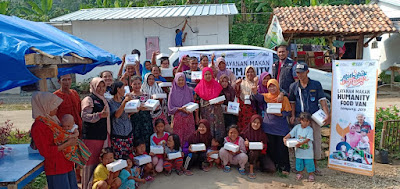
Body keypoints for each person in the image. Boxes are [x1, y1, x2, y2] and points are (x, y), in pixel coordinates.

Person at [30, 92, 79, 189]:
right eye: (54, 106)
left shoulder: (52, 120)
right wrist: (67, 144)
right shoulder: (39, 126)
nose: (57, 108)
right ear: (45, 106)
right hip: (56, 167)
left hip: (66, 163)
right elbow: (46, 151)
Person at [289, 63, 330, 175]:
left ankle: (315, 167)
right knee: (299, 141)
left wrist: (327, 114)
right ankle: (299, 167)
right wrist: (293, 115)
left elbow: (322, 101)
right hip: (300, 118)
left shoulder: (316, 84)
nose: (300, 74)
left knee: (315, 141)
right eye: (298, 72)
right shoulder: (293, 86)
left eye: (302, 72)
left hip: (313, 117)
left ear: (307, 72)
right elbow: (292, 103)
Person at [252, 79, 291, 174]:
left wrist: (281, 114)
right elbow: (257, 96)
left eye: (273, 86)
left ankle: (284, 167)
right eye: (270, 86)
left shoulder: (283, 98)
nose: (272, 88)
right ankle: (274, 166)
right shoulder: (266, 97)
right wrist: (254, 88)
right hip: (268, 128)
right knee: (271, 148)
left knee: (282, 149)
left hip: (281, 128)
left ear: (277, 86)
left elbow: (288, 111)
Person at [81, 77, 111, 189]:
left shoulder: (103, 99)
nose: (101, 89)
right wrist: (99, 115)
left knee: (100, 163)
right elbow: (84, 116)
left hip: (102, 136)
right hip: (91, 138)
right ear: (93, 86)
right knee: (90, 164)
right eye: (98, 86)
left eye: (103, 86)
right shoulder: (89, 99)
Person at [195, 67, 225, 141]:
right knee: (206, 128)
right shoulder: (199, 87)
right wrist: (197, 117)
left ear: (212, 75)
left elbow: (223, 99)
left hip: (217, 115)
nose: (208, 76)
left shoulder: (217, 85)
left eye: (209, 74)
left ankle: (218, 146)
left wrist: (220, 101)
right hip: (205, 114)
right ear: (203, 75)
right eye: (206, 74)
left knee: (218, 130)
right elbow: (196, 104)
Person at [283, 112, 315, 182]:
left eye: (307, 121)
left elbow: (308, 139)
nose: (305, 123)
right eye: (303, 121)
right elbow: (291, 133)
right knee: (299, 163)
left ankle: (311, 174)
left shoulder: (310, 129)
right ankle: (300, 173)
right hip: (299, 151)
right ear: (300, 120)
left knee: (309, 163)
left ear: (309, 122)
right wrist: (285, 138)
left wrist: (301, 143)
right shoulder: (297, 127)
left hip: (308, 152)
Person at [107, 81, 134, 159]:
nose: (124, 90)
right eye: (123, 88)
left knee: (129, 157)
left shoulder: (124, 99)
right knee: (119, 159)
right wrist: (125, 102)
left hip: (128, 132)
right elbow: (117, 115)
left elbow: (129, 113)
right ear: (118, 89)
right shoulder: (110, 102)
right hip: (118, 135)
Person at [168, 73, 196, 145]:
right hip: (178, 117)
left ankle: (188, 152)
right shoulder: (172, 92)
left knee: (189, 135)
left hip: (189, 117)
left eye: (182, 80)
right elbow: (170, 107)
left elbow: (192, 102)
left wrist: (191, 108)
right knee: (178, 136)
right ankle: (179, 152)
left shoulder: (189, 90)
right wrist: (180, 109)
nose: (181, 82)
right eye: (179, 80)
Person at [129, 76, 154, 152]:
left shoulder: (147, 95)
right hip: (135, 122)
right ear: (131, 84)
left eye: (139, 84)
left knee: (147, 140)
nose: (137, 86)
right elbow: (127, 112)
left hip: (146, 122)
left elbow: (152, 108)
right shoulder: (129, 96)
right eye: (135, 84)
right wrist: (138, 109)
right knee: (137, 141)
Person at [241, 115, 270, 179]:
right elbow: (239, 142)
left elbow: (266, 145)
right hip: (249, 154)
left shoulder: (262, 133)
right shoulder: (246, 132)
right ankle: (251, 170)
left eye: (258, 123)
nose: (256, 124)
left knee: (271, 168)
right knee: (254, 152)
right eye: (254, 122)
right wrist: (245, 143)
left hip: (260, 154)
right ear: (251, 122)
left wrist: (263, 145)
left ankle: (258, 164)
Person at [235, 66, 258, 131]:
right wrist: (237, 85)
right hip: (243, 109)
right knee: (243, 128)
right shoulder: (242, 83)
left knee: (253, 126)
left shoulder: (257, 83)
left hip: (253, 108)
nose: (250, 74)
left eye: (252, 72)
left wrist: (256, 84)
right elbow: (237, 94)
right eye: (248, 72)